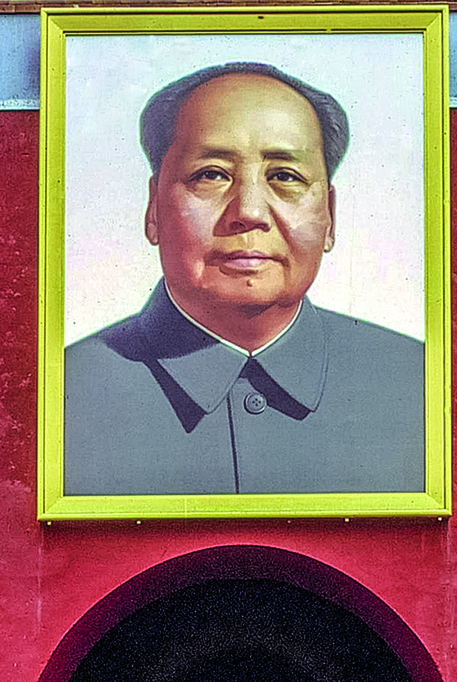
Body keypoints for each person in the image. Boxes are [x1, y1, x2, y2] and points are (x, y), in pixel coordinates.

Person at [64, 62, 424, 498]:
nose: (249, 211)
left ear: (329, 216)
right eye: (211, 174)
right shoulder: (63, 395)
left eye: (284, 177)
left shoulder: (421, 386)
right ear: (153, 208)